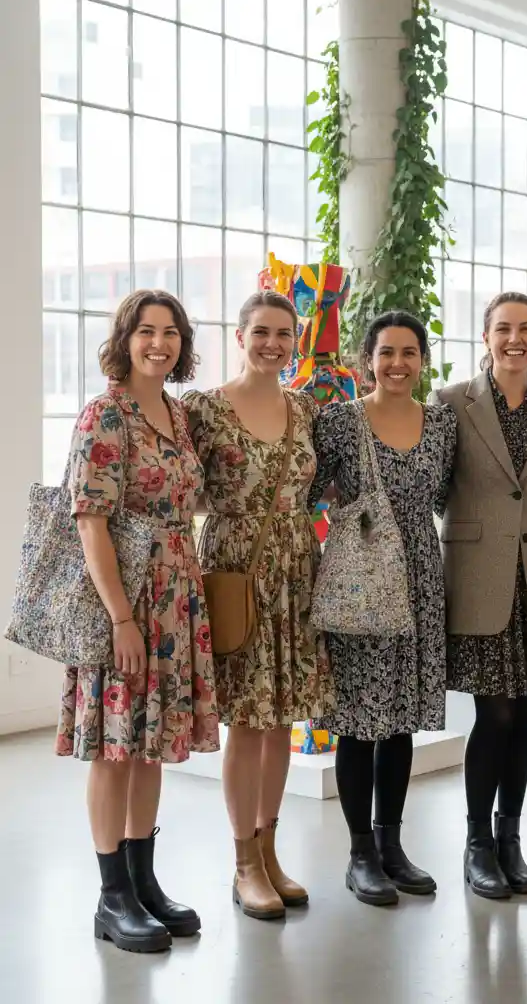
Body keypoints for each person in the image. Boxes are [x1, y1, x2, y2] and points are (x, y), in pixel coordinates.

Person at [56, 290, 219, 953]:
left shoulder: (178, 417)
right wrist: (122, 617)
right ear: (125, 340)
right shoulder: (104, 416)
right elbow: (90, 523)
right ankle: (111, 897)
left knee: (152, 744)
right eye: (147, 331)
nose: (160, 342)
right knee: (115, 748)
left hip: (177, 598)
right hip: (124, 600)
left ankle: (143, 879)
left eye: (171, 332)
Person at [183, 291, 333, 921]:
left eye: (284, 333)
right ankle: (243, 860)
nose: (273, 343)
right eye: (262, 331)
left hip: (298, 568)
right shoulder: (206, 409)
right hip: (236, 572)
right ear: (240, 335)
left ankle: (270, 851)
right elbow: (178, 487)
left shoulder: (307, 410)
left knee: (282, 722)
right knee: (246, 721)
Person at [308, 311, 456, 907]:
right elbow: (311, 494)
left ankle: (392, 846)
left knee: (399, 721)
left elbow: (445, 495)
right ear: (367, 358)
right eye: (386, 352)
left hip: (419, 575)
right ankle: (359, 854)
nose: (398, 363)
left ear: (423, 360)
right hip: (362, 579)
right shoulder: (342, 422)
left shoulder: (441, 424)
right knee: (356, 721)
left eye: (410, 352)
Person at [432, 292, 527, 899]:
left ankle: (511, 840)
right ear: (485, 336)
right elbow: (436, 488)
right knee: (495, 714)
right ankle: (476, 843)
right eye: (504, 328)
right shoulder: (451, 403)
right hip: (480, 576)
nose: (516, 338)